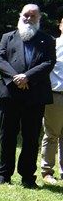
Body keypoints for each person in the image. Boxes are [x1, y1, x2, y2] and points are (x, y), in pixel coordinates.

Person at [0, 4, 56, 188]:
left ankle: (28, 177)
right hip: (10, 94)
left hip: (35, 95)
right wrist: (16, 78)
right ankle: (3, 175)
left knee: (30, 138)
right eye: (25, 15)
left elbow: (48, 62)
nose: (28, 19)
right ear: (20, 16)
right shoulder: (8, 37)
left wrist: (27, 77)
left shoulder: (47, 40)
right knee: (7, 136)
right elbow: (0, 59)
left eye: (32, 16)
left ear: (39, 19)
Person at [40, 17, 63, 185]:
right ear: (60, 26)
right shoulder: (52, 45)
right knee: (52, 134)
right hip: (56, 95)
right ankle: (47, 171)